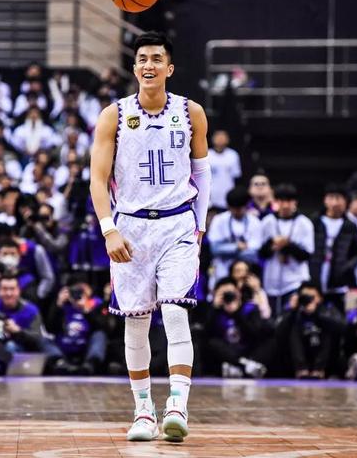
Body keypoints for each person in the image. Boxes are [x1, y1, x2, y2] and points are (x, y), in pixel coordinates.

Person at [89, 31, 211, 442]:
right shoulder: (114, 115)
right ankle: (143, 410)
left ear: (169, 68)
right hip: (130, 227)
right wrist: (109, 229)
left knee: (175, 312)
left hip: (177, 224)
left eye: (157, 59)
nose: (149, 65)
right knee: (136, 321)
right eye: (142, 58)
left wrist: (200, 225)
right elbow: (98, 179)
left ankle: (177, 404)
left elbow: (202, 173)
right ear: (134, 66)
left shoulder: (191, 112)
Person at [258, 184, 314, 315]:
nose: (285, 205)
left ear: (295, 202)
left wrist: (287, 245)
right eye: (281, 201)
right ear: (275, 202)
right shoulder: (267, 222)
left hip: (295, 281)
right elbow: (261, 253)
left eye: (289, 201)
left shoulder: (304, 223)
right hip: (272, 280)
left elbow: (306, 255)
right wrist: (272, 244)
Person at [204, 277, 273, 379]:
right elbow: (206, 334)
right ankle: (245, 367)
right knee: (213, 342)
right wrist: (214, 308)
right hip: (227, 353)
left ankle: (240, 368)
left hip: (250, 351)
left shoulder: (250, 308)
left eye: (231, 292)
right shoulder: (215, 311)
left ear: (238, 292)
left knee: (271, 339)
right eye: (224, 293)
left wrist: (237, 313)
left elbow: (255, 334)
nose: (228, 296)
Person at [0, 272, 44, 375]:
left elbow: (37, 338)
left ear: (19, 291)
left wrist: (17, 331)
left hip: (21, 350)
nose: (9, 293)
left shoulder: (31, 310)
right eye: (4, 289)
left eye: (12, 289)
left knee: (11, 346)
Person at [276, 282, 346, 379]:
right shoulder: (294, 312)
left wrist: (318, 313)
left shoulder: (327, 309)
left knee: (328, 329)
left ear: (320, 298)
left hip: (324, 359)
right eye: (305, 296)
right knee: (294, 328)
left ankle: (319, 370)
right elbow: (278, 331)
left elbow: (343, 327)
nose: (308, 300)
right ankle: (301, 369)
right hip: (296, 360)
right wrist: (292, 311)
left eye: (312, 297)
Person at [310, 184, 357, 311]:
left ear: (345, 202)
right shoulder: (315, 222)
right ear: (325, 200)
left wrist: (346, 267)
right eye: (331, 198)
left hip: (341, 282)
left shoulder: (350, 226)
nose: (335, 202)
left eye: (338, 198)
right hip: (316, 277)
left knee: (343, 315)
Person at [207, 187, 261, 289]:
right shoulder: (219, 220)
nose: (236, 211)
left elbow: (254, 254)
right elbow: (214, 249)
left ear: (246, 206)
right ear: (228, 206)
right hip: (221, 271)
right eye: (233, 208)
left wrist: (226, 248)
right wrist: (236, 247)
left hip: (244, 272)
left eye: (239, 208)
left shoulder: (254, 222)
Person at [208, 130, 241, 211]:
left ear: (227, 140)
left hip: (228, 194)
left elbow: (236, 176)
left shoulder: (233, 155)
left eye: (223, 137)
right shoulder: (207, 154)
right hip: (210, 196)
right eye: (218, 137)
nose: (220, 139)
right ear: (213, 139)